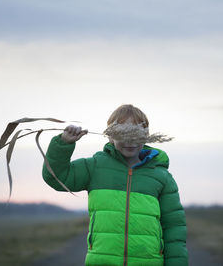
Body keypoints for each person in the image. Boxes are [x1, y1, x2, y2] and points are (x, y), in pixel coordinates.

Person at [42, 104, 188, 266]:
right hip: (102, 260)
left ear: (146, 135)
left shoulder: (162, 176)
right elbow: (56, 177)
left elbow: (174, 227)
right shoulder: (95, 167)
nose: (129, 141)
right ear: (110, 136)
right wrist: (63, 144)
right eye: (122, 133)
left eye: (136, 133)